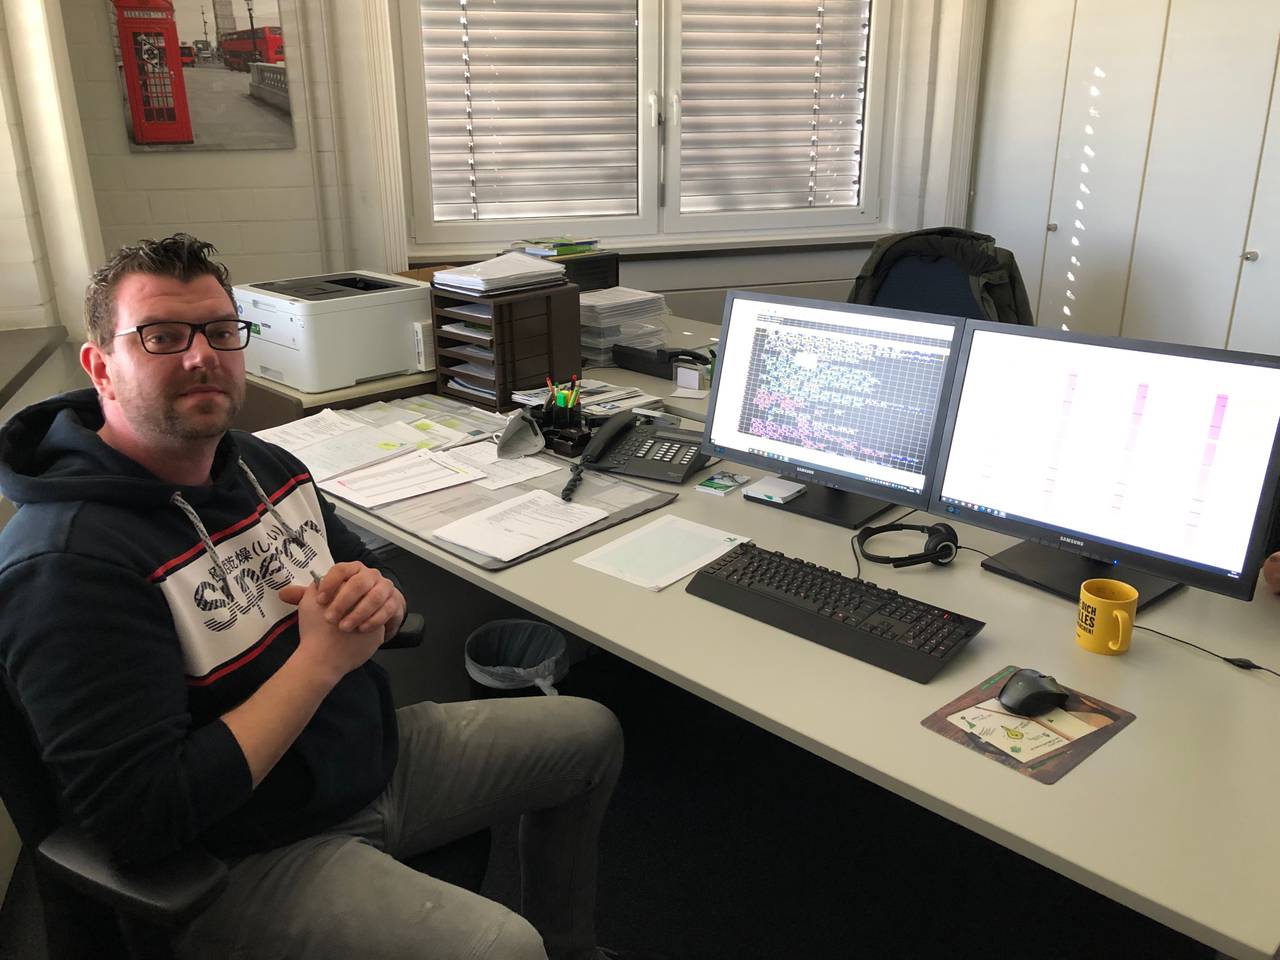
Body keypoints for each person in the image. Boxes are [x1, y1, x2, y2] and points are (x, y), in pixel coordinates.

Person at [0, 235, 643, 960]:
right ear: (101, 368)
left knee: (590, 734)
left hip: (367, 760)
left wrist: (379, 602)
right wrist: (319, 662)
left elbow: (365, 583)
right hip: (246, 850)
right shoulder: (67, 565)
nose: (202, 356)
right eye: (163, 337)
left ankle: (572, 946)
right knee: (502, 948)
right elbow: (139, 820)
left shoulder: (262, 465)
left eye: (220, 330)